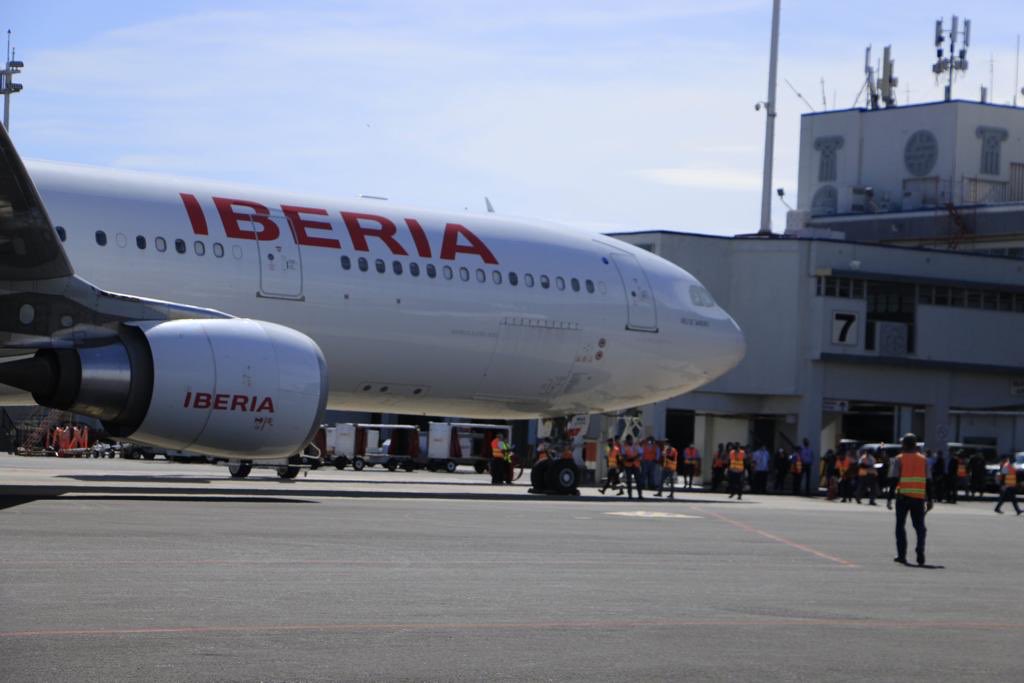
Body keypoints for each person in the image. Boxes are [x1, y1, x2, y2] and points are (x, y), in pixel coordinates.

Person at [887, 433, 933, 566]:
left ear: (905, 445)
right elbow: (929, 481)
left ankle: (902, 555)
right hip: (918, 498)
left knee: (900, 526)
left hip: (902, 497)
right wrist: (930, 499)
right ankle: (920, 549)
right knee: (920, 527)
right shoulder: (924, 459)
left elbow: (893, 480)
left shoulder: (897, 459)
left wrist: (889, 498)